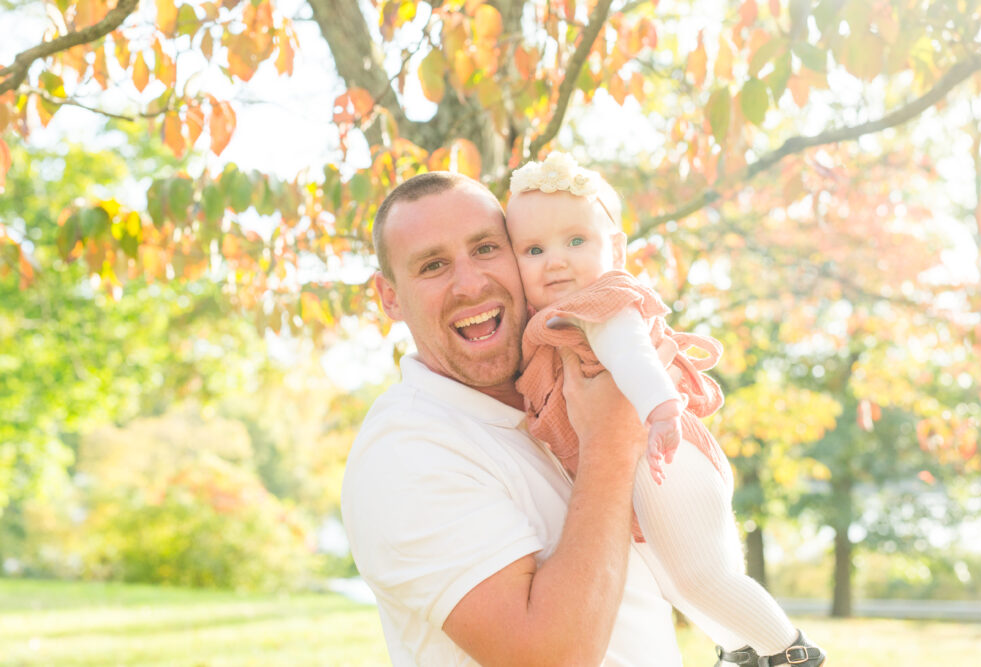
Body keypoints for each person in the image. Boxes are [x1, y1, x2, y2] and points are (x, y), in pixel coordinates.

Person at [341, 171, 685, 665]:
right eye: (433, 265)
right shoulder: (405, 452)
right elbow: (547, 657)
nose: (471, 283)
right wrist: (611, 440)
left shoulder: (558, 401)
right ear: (390, 297)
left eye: (485, 249)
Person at [505, 151, 827, 667]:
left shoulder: (601, 303)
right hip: (643, 459)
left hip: (663, 452)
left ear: (616, 249)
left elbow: (631, 354)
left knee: (701, 575)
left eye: (576, 241)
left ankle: (791, 653)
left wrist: (660, 410)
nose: (557, 260)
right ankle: (741, 651)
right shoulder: (550, 321)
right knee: (675, 579)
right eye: (534, 249)